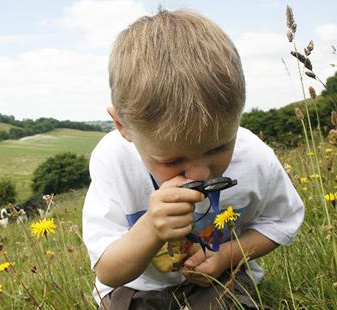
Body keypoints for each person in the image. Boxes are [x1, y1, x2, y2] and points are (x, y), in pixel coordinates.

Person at [82, 9, 304, 310]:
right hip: (136, 286)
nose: (200, 172)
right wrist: (150, 228)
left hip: (219, 278)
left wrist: (226, 255)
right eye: (171, 159)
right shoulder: (113, 161)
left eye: (218, 148)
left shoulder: (255, 156)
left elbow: (281, 222)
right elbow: (108, 269)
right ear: (123, 127)